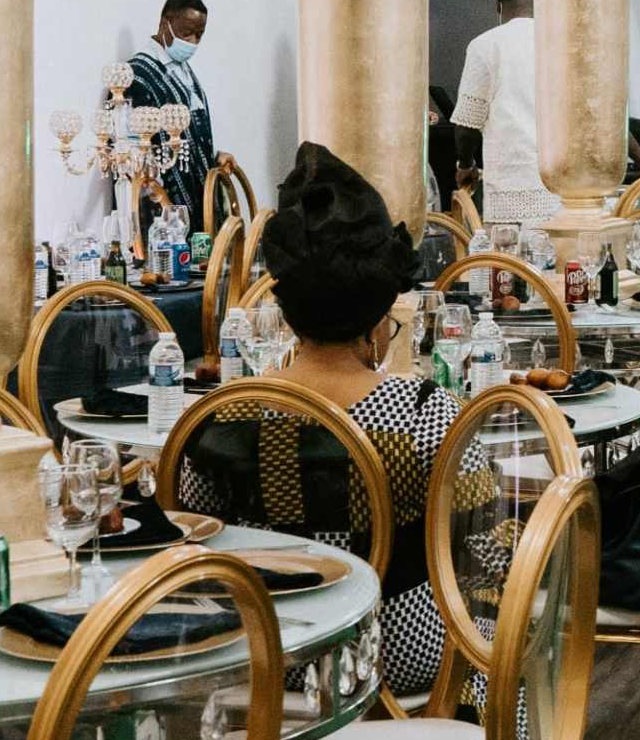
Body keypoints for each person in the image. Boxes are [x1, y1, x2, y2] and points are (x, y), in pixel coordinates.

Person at [168, 145, 523, 703]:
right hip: (394, 657)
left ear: (287, 309)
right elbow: (488, 559)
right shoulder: (424, 412)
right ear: (380, 318)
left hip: (263, 655)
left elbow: (197, 555)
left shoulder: (222, 415)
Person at [449, 0, 553, 234]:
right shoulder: (560, 42)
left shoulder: (485, 45)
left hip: (512, 185)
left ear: (499, 7)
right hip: (562, 188)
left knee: (508, 271)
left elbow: (468, 124)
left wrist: (465, 165)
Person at [125, 0, 216, 223]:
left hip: (199, 199)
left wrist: (214, 157)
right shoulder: (137, 75)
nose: (193, 42)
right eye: (187, 33)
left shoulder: (185, 70)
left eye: (200, 35)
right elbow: (129, 153)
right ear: (165, 23)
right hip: (161, 208)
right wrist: (157, 194)